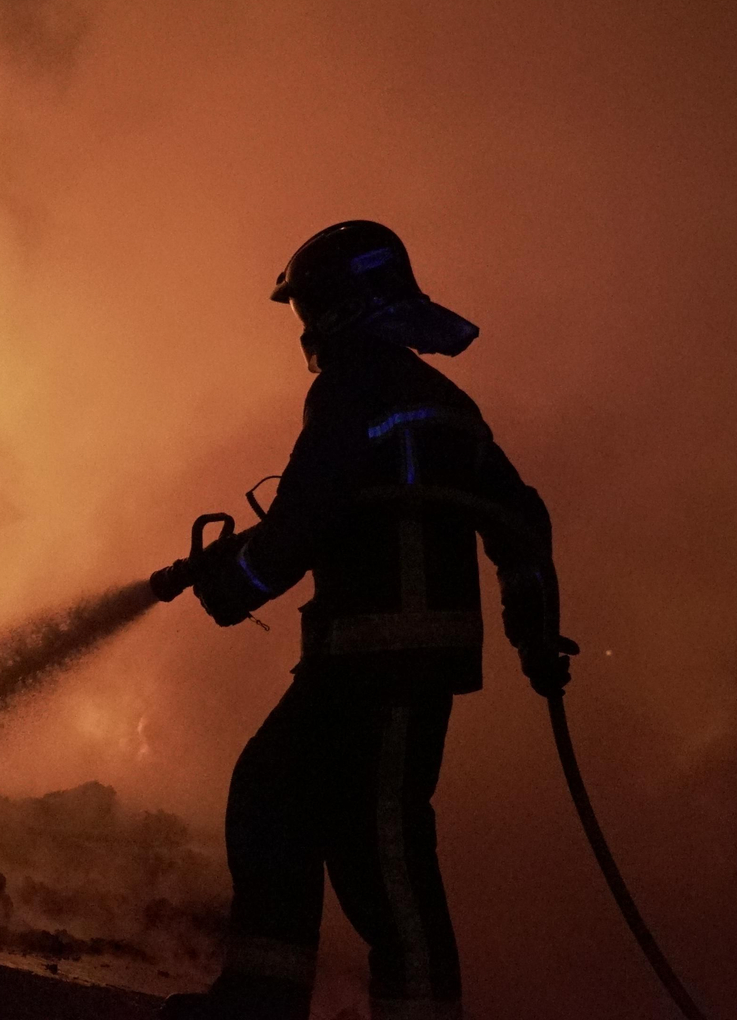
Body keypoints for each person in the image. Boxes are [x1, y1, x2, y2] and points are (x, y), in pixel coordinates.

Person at [151, 220, 577, 1020]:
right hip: (373, 664)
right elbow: (521, 518)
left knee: (384, 853)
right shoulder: (441, 400)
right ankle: (259, 1000)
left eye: (310, 308)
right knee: (279, 797)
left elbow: (304, 517)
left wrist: (236, 584)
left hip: (385, 666)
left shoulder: (356, 390)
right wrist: (533, 631)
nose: (306, 330)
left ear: (344, 306)